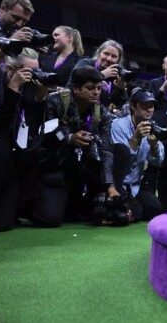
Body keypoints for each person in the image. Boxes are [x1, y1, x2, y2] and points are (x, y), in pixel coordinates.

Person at [32, 66, 115, 227]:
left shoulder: (102, 112)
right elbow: (47, 134)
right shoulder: (55, 100)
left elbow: (106, 149)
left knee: (77, 215)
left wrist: (110, 185)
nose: (96, 92)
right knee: (49, 218)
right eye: (90, 88)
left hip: (84, 168)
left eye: (99, 88)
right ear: (76, 88)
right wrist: (69, 138)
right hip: (53, 166)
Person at [0, 49, 49, 230]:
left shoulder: (29, 88)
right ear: (12, 68)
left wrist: (40, 98)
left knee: (2, 224)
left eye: (36, 71)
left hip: (15, 159)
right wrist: (13, 88)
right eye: (28, 71)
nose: (32, 76)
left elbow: (35, 125)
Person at [110, 88, 165, 221]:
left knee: (155, 209)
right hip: (118, 183)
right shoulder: (118, 125)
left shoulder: (152, 127)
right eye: (145, 105)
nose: (149, 109)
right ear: (133, 106)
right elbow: (121, 160)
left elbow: (157, 162)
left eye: (152, 106)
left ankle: (129, 209)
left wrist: (154, 147)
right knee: (137, 211)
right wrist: (136, 138)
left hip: (136, 186)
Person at [70, 40, 128, 109]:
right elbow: (72, 83)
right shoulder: (85, 63)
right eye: (106, 54)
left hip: (99, 113)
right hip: (75, 108)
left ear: (118, 60)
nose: (109, 59)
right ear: (99, 53)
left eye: (114, 56)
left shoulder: (116, 74)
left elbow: (120, 104)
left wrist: (121, 89)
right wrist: (102, 75)